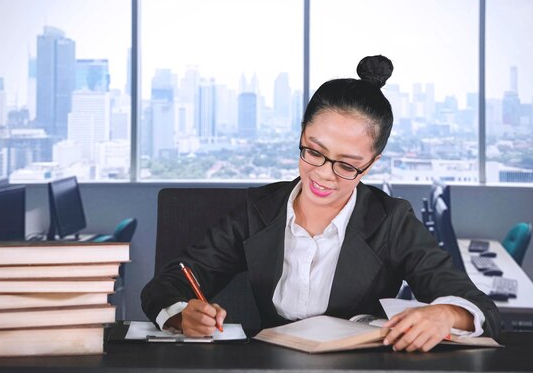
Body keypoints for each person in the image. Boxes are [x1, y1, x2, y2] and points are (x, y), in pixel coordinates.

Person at [141, 55, 501, 352]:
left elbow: (482, 308)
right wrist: (180, 313)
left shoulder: (390, 221)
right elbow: (169, 282)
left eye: (347, 165)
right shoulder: (258, 209)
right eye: (313, 151)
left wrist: (445, 315)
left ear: (372, 164)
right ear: (301, 135)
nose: (324, 174)